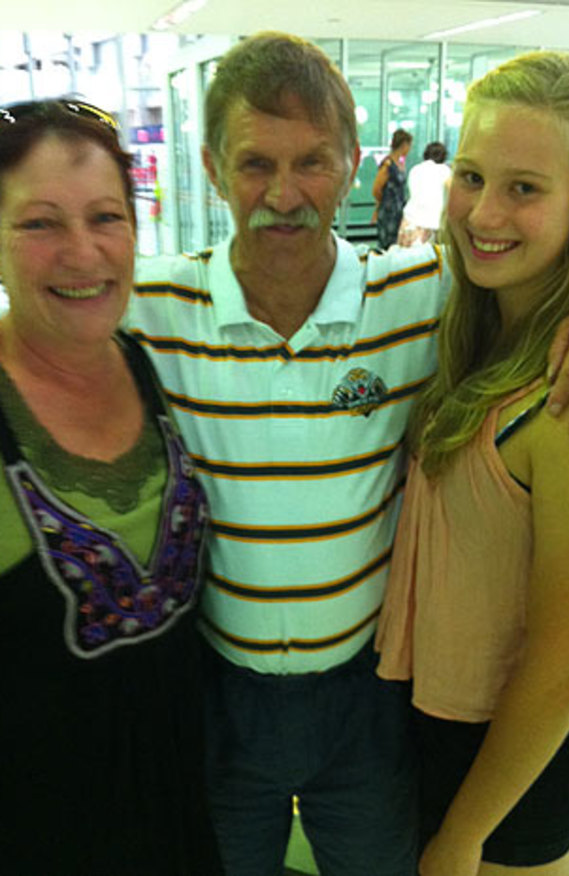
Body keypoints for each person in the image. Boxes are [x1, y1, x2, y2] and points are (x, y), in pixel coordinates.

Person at [128, 32, 569, 876]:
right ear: (210, 165)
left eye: (312, 162)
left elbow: (532, 276)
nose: (285, 194)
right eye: (254, 163)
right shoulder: (151, 307)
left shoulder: (420, 297)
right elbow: (52, 316)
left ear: (350, 163)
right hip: (224, 686)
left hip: (371, 690)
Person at [0, 99, 223, 876]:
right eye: (39, 224)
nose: (82, 252)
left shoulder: (150, 356)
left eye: (106, 216)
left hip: (182, 814)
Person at [376, 50, 569, 876]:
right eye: (470, 175)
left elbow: (567, 659)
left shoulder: (566, 398)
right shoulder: (469, 329)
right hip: (428, 726)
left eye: (525, 188)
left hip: (509, 769)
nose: (481, 211)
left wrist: (464, 836)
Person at [397, 141, 451, 247]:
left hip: (412, 223)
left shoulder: (415, 170)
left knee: (409, 262)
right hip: (436, 225)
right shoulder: (446, 172)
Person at [372, 127, 413, 248]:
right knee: (387, 244)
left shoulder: (400, 163)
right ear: (404, 144)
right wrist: (384, 202)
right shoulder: (388, 164)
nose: (410, 149)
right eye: (409, 145)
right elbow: (376, 189)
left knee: (396, 243)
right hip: (388, 211)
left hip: (398, 210)